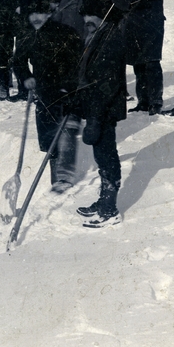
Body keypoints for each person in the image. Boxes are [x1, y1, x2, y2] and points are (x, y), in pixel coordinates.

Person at [16, 0, 83, 193]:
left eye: (41, 13)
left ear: (49, 14)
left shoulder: (66, 33)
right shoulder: (28, 34)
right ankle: (56, 177)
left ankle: (64, 178)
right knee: (48, 136)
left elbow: (78, 64)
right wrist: (26, 77)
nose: (36, 18)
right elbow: (18, 61)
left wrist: (70, 87)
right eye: (32, 14)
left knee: (67, 132)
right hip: (44, 93)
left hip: (68, 91)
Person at [75, 12, 128, 226]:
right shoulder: (99, 34)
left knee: (107, 156)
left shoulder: (111, 38)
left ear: (103, 15)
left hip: (104, 107)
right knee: (102, 156)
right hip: (96, 106)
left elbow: (108, 83)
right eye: (85, 15)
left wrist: (95, 116)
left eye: (92, 15)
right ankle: (104, 201)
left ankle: (109, 210)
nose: (87, 19)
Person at [111, 0, 167, 114]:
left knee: (152, 62)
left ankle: (155, 102)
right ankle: (143, 101)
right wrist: (129, 3)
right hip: (132, 22)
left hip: (152, 23)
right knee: (137, 63)